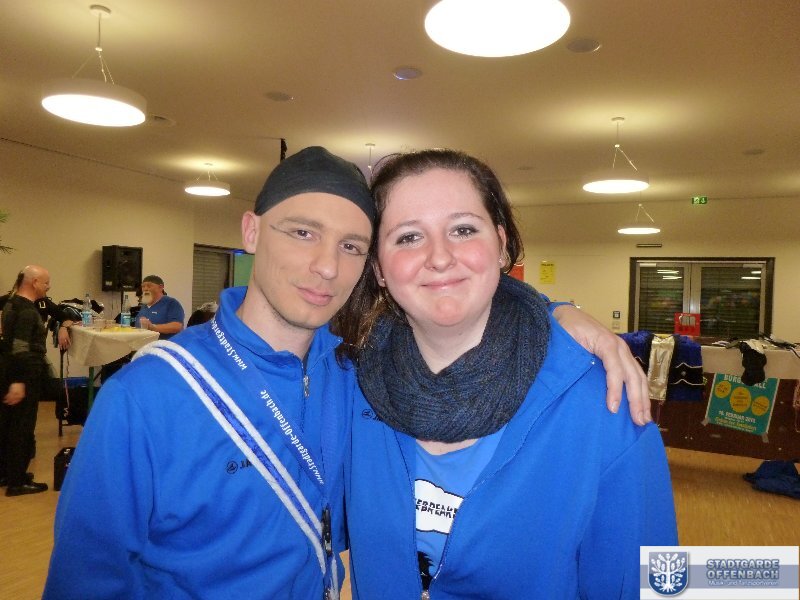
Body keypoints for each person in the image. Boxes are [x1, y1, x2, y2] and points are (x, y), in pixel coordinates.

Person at [45, 147, 649, 599]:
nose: (326, 266)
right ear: (251, 231)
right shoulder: (147, 396)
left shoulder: (358, 379)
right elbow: (83, 578)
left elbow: (667, 580)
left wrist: (559, 312)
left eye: (352, 246)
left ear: (500, 242)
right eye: (302, 232)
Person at [342, 149, 678, 599]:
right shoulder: (350, 387)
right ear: (379, 269)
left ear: (501, 245)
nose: (439, 257)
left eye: (463, 229)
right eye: (408, 237)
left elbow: (649, 585)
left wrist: (558, 311)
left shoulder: (604, 400)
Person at [0, 265, 57, 495]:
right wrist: (19, 382)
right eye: (46, 282)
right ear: (34, 282)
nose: (48, 286)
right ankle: (17, 482)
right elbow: (20, 347)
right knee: (22, 427)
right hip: (24, 374)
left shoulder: (11, 304)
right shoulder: (26, 311)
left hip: (8, 371)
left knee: (8, 425)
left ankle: (7, 473)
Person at [136, 275, 185, 339]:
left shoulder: (171, 303)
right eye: (143, 286)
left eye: (149, 286)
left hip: (164, 343)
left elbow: (177, 327)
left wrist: (153, 327)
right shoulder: (144, 305)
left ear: (161, 287)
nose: (145, 289)